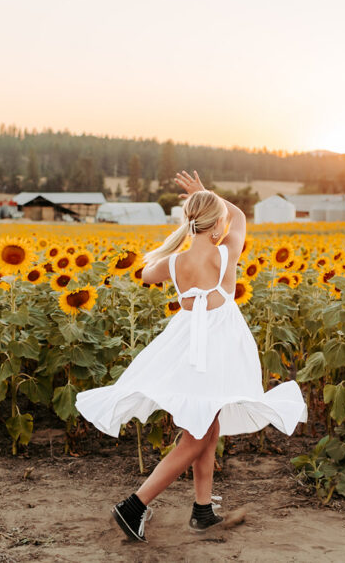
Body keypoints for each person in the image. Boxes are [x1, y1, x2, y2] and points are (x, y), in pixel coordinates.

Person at [75, 170, 308, 543]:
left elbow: (144, 273)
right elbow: (242, 218)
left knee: (207, 426)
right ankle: (134, 505)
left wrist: (180, 236)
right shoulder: (224, 253)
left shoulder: (175, 264)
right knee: (197, 436)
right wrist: (206, 192)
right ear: (217, 225)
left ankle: (202, 511)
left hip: (186, 347)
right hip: (218, 352)